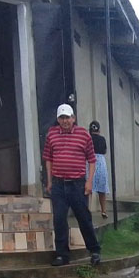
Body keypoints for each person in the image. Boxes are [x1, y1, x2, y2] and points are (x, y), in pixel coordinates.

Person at [43, 104, 101, 267]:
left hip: (78, 184)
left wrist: (89, 182)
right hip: (58, 185)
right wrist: (49, 182)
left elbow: (92, 160)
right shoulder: (52, 134)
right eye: (62, 118)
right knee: (59, 219)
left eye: (68, 117)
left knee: (84, 218)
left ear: (73, 118)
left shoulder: (83, 135)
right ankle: (62, 255)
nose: (65, 121)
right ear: (58, 119)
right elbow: (48, 159)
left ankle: (94, 251)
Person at [88, 120, 111, 219]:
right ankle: (104, 210)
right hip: (101, 162)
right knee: (102, 189)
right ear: (99, 130)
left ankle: (87, 210)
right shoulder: (102, 139)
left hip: (89, 162)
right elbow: (104, 151)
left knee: (88, 188)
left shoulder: (88, 139)